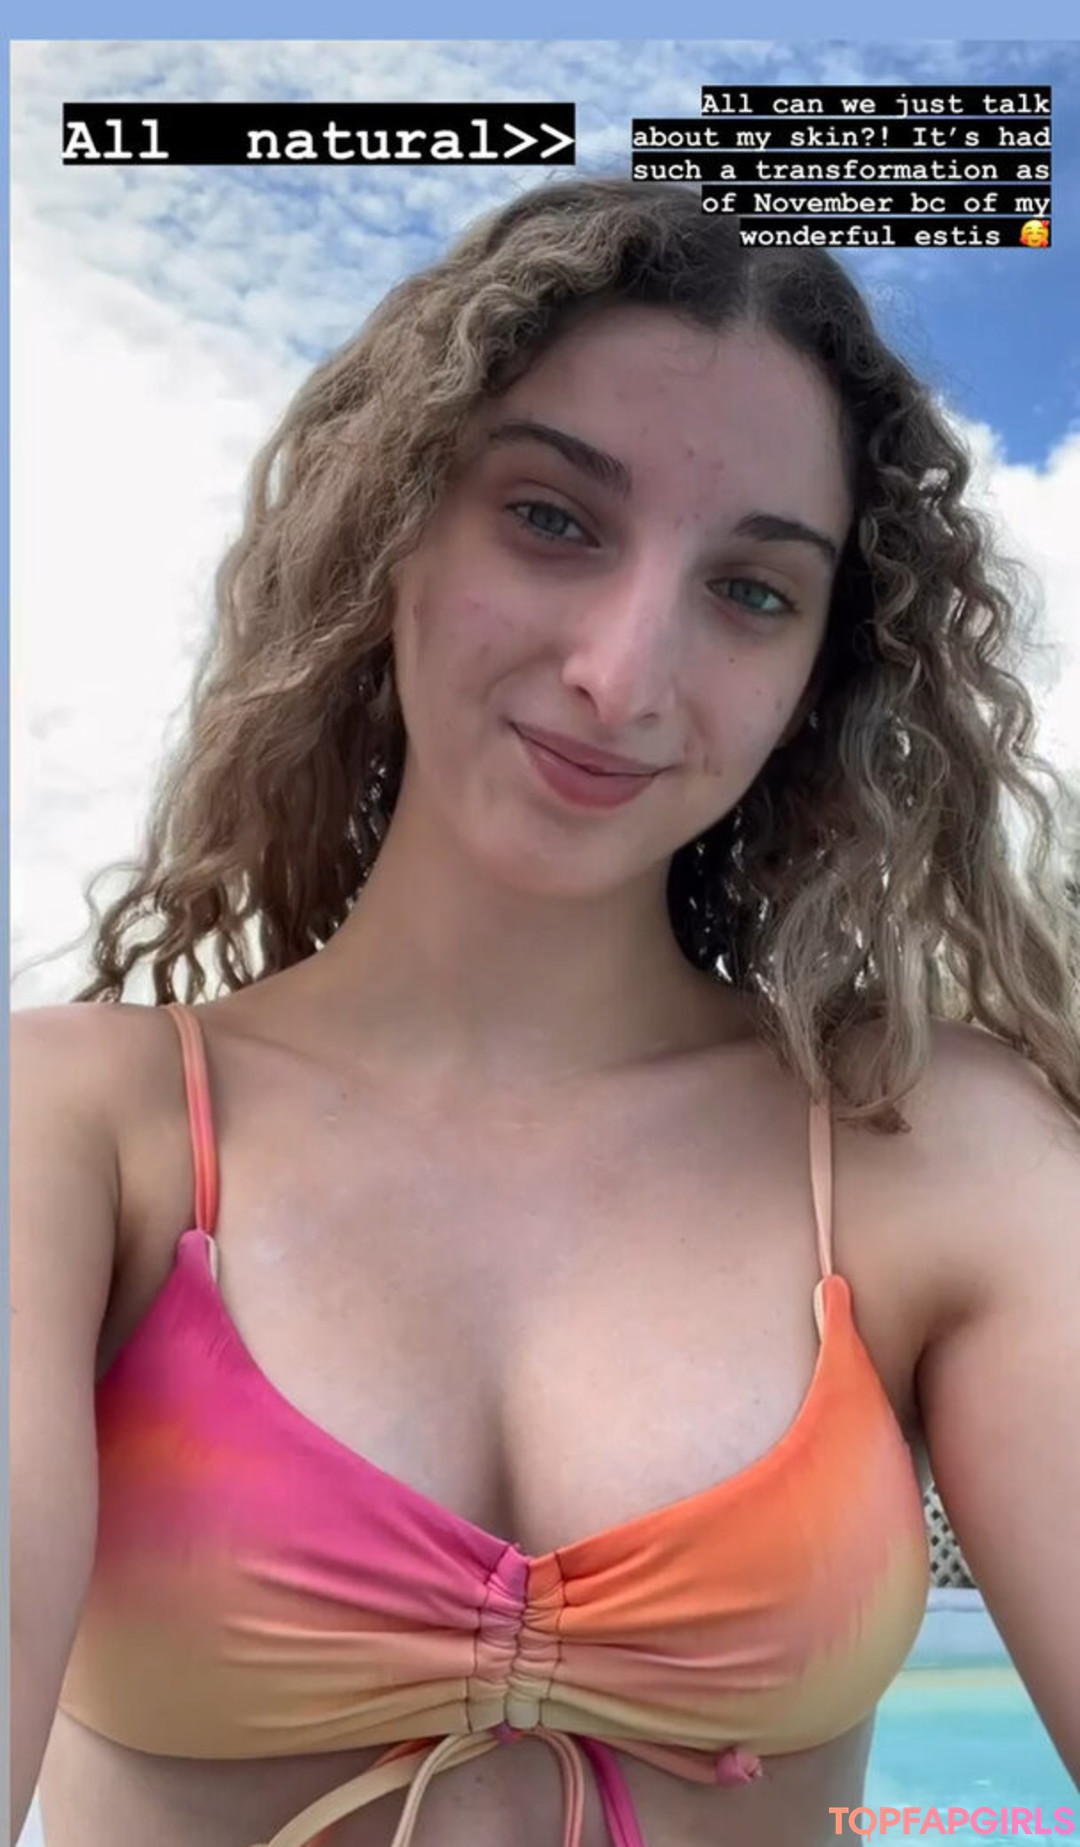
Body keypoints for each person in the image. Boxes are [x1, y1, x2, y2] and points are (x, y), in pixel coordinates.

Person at [11, 175, 1080, 1847]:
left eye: (752, 591)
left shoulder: (926, 1150)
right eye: (553, 518)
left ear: (818, 680)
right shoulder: (77, 1135)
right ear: (392, 533)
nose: (624, 673)